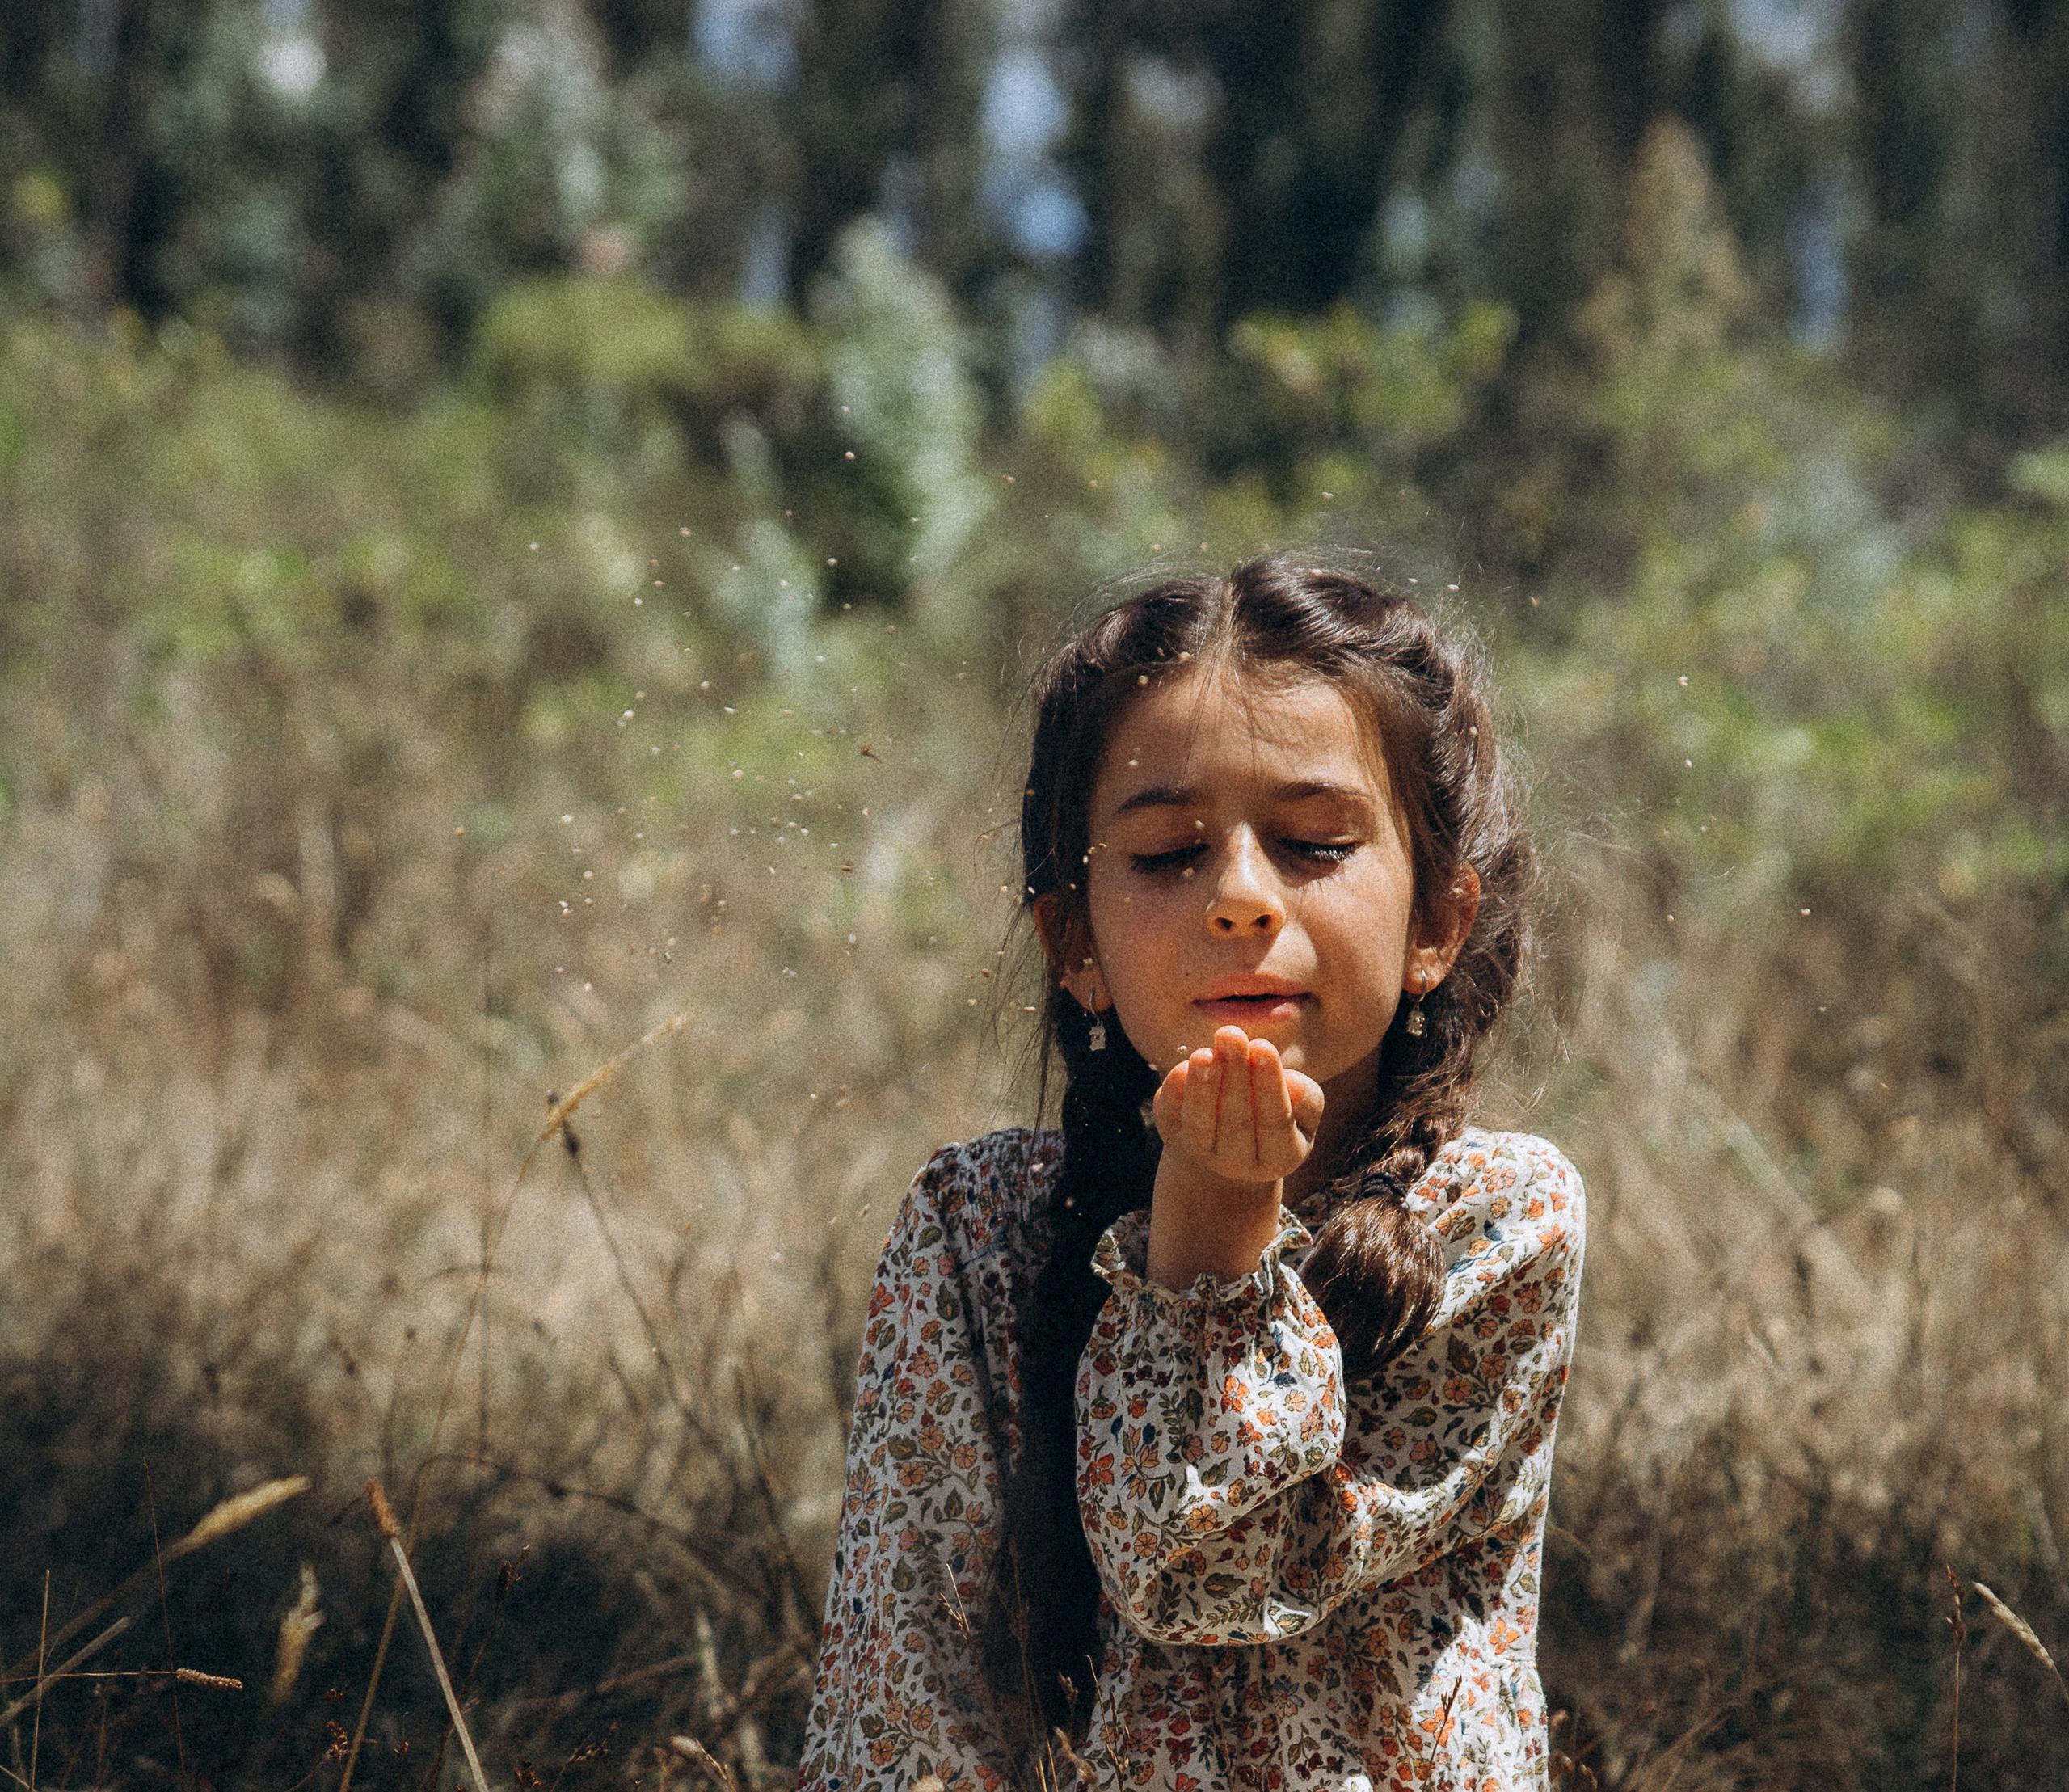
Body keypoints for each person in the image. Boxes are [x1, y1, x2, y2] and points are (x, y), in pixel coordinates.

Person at [794, 557, 1584, 1791]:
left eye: (1316, 843)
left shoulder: (1498, 1223)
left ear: (1437, 921)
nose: (1238, 898)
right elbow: (896, 1708)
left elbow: (1210, 1572)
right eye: (1169, 854)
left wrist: (1214, 1221)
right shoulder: (975, 1227)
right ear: (1078, 945)